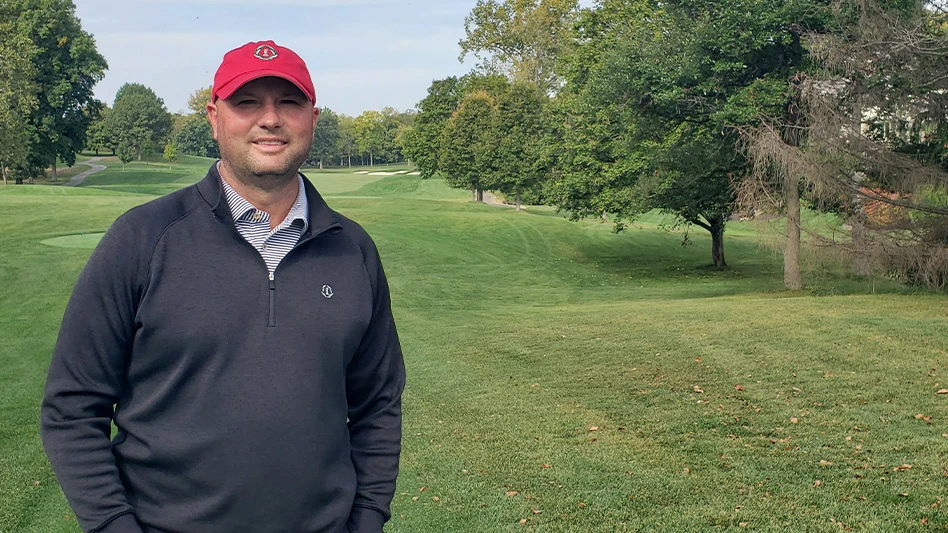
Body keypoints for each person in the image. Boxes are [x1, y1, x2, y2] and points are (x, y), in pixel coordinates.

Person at [40, 40, 405, 533]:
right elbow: (72, 407)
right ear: (214, 116)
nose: (270, 119)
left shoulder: (352, 249)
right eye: (247, 102)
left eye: (289, 102)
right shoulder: (144, 238)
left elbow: (378, 403)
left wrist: (367, 520)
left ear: (312, 119)